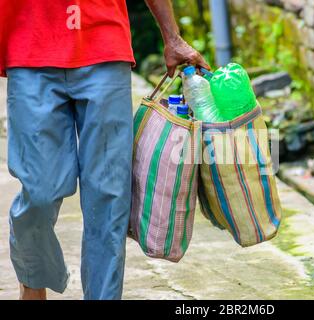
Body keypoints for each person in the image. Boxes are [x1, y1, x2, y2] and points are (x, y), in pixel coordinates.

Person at [0, 0, 209, 300]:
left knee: (109, 196)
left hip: (104, 46)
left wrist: (172, 37)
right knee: (40, 190)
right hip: (30, 46)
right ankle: (33, 280)